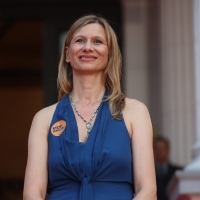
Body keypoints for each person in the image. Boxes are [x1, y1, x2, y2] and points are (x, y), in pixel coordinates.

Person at [23, 15, 157, 200]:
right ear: (68, 53)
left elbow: (148, 190)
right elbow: (32, 194)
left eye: (97, 41)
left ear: (109, 54)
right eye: (80, 40)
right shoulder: (44, 118)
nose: (88, 47)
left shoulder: (135, 112)